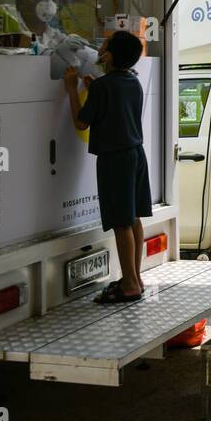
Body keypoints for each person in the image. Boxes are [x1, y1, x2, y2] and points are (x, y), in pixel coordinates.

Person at [65, 30, 152, 303]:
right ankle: (134, 277)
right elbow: (115, 105)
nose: (98, 49)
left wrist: (71, 89)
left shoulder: (103, 86)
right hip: (136, 154)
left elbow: (81, 122)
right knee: (134, 217)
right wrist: (94, 89)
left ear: (110, 55)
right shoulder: (132, 82)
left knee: (120, 222)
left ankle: (129, 287)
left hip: (115, 159)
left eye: (102, 46)